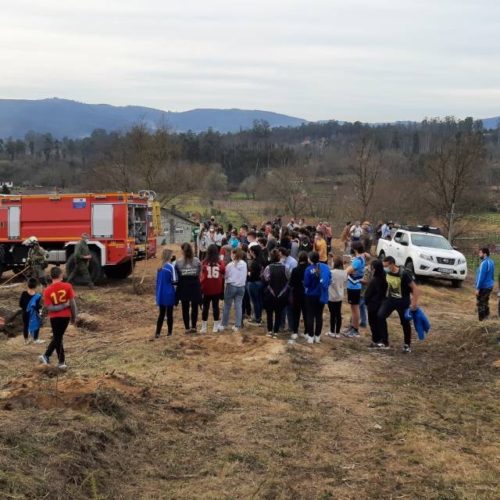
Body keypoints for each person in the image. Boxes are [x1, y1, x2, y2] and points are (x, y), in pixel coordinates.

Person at [378, 256, 420, 352]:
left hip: (403, 301)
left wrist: (413, 303)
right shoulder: (386, 272)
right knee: (380, 316)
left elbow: (415, 288)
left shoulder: (403, 274)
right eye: (383, 266)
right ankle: (385, 341)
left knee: (405, 322)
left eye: (386, 266)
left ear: (392, 264)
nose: (384, 268)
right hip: (390, 300)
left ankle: (407, 344)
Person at [39, 267, 77, 369]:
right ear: (61, 275)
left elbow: (50, 307)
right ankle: (59, 361)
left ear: (51, 277)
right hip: (66, 317)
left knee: (57, 337)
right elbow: (73, 304)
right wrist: (73, 316)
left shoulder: (47, 290)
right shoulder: (68, 286)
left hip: (54, 318)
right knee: (58, 337)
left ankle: (48, 356)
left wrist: (61, 307)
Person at [304, 251, 331, 344]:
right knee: (319, 315)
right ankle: (317, 336)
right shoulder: (324, 267)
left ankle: (310, 337)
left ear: (310, 259)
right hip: (320, 294)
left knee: (310, 315)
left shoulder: (308, 269)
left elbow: (306, 284)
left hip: (310, 295)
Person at [175, 243, 202, 333]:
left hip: (184, 285)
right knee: (195, 307)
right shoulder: (197, 261)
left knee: (185, 307)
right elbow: (199, 273)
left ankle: (187, 328)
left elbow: (177, 275)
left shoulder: (178, 262)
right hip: (195, 285)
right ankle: (194, 326)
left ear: (183, 251)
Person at [262, 249, 289, 338]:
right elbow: (288, 278)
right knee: (278, 314)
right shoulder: (285, 268)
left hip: (270, 294)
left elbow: (265, 279)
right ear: (279, 257)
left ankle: (270, 331)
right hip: (281, 294)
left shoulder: (268, 268)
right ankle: (276, 332)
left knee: (269, 314)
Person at [220, 248, 247, 332]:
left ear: (233, 255)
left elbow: (226, 276)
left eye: (231, 254)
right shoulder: (244, 263)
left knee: (227, 306)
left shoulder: (229, 265)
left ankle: (224, 324)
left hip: (231, 286)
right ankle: (237, 325)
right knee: (238, 306)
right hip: (241, 287)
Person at [200, 244, 225, 333]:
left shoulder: (204, 262)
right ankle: (215, 327)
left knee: (205, 307)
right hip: (216, 288)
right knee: (216, 307)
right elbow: (223, 270)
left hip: (206, 288)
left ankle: (204, 327)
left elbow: (202, 275)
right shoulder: (220, 262)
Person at [364, 259, 388, 348]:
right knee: (380, 323)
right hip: (382, 303)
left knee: (373, 323)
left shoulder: (374, 280)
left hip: (373, 305)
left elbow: (368, 293)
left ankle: (376, 340)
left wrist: (366, 301)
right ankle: (382, 339)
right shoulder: (385, 277)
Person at [344, 243, 366, 338]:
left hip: (354, 286)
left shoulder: (358, 260)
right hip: (354, 286)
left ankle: (355, 329)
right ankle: (352, 327)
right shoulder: (360, 258)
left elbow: (347, 271)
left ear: (356, 250)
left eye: (352, 249)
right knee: (353, 308)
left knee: (355, 309)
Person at [155, 249, 177, 339]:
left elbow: (157, 281)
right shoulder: (170, 267)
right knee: (169, 314)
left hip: (160, 292)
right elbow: (175, 281)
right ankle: (169, 332)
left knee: (161, 314)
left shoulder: (159, 267)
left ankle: (157, 333)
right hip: (169, 292)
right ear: (169, 256)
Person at [290, 251, 309, 340]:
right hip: (307, 294)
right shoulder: (309, 269)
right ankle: (306, 331)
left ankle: (295, 331)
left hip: (297, 294)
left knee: (296, 314)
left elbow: (291, 284)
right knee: (306, 314)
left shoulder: (295, 270)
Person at [327, 257, 347, 338]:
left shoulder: (331, 272)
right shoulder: (344, 273)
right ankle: (338, 332)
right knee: (338, 313)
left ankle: (332, 331)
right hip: (340, 296)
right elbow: (345, 284)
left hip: (331, 296)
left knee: (332, 314)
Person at [19, 278, 43, 344]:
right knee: (37, 324)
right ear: (35, 286)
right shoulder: (37, 296)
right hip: (34, 313)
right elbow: (37, 306)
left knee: (26, 325)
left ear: (28, 285)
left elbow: (20, 304)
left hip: (25, 313)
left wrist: (26, 308)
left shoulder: (24, 293)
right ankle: (35, 339)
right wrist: (40, 311)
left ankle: (26, 340)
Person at [475, 247, 495, 321]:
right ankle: (487, 318)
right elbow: (492, 275)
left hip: (483, 287)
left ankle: (481, 321)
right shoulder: (492, 262)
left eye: (480, 253)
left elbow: (481, 277)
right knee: (485, 302)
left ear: (485, 254)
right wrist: (492, 283)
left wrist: (477, 288)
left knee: (480, 304)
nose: (479, 254)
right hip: (489, 286)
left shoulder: (484, 263)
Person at [247, 245, 265, 326]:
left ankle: (257, 319)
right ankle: (259, 318)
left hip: (254, 283)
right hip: (261, 282)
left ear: (253, 252)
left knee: (255, 302)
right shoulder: (262, 260)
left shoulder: (254, 262)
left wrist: (248, 274)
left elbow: (252, 275)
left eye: (250, 251)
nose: (249, 252)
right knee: (259, 301)